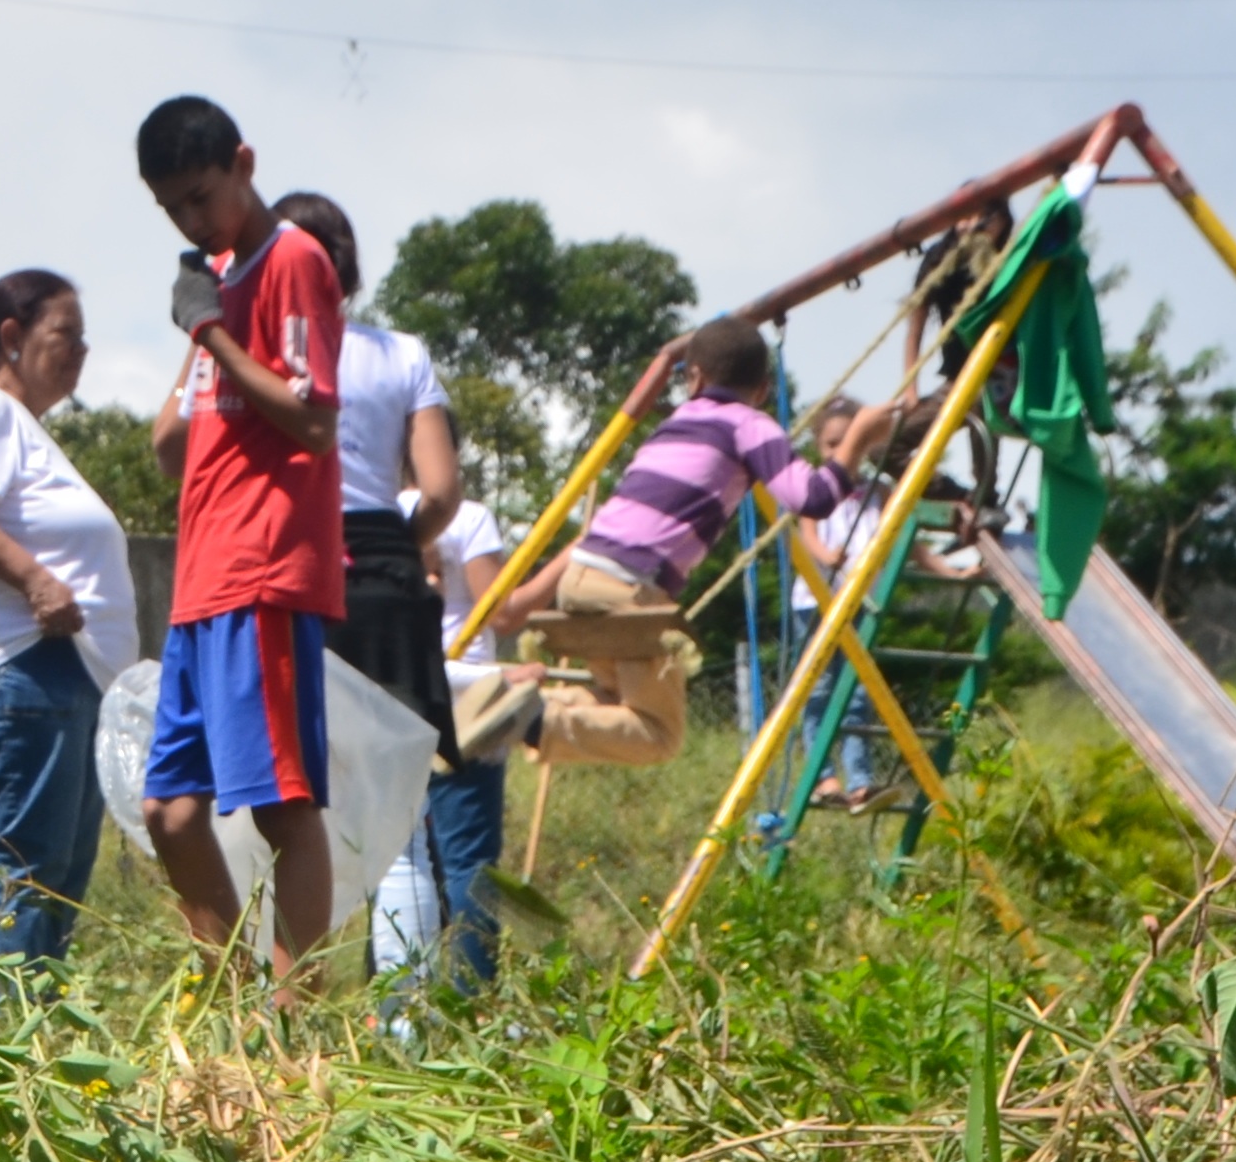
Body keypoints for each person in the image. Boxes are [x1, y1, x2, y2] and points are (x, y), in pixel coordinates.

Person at [463, 319, 896, 772]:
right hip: (630, 587)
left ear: (695, 378)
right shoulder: (750, 424)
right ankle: (533, 719)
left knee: (614, 702)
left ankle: (519, 703)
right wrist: (859, 439)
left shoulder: (675, 423)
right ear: (764, 388)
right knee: (658, 734)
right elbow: (814, 499)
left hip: (580, 576)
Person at [132, 96, 347, 975]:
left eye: (202, 196)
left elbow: (312, 418)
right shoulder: (221, 279)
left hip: (261, 568)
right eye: (171, 208)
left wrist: (213, 332)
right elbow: (167, 445)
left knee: (280, 808)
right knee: (170, 814)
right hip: (203, 576)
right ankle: (231, 999)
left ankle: (299, 1025)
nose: (190, 219)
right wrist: (202, 327)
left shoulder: (292, 261)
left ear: (245, 165)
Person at [0, 270, 137, 997]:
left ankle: (36, 1034)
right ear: (11, 337)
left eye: (83, 340)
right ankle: (9, 1048)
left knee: (60, 869)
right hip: (20, 665)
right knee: (26, 861)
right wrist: (36, 580)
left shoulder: (22, 429)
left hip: (62, 674)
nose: (80, 352)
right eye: (64, 335)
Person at [266, 192, 463, 746]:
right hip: (385, 577)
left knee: (295, 772)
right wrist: (399, 542)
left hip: (287, 564)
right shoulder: (403, 353)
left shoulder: (251, 352)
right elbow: (442, 492)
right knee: (393, 776)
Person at [406, 485, 512, 991]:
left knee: (400, 861)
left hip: (393, 689)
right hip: (464, 698)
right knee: (468, 861)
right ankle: (473, 1000)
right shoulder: (469, 518)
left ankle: (399, 999)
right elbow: (502, 611)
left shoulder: (364, 513)